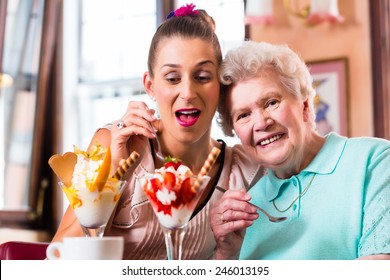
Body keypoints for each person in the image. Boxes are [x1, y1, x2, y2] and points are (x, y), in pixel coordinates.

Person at [51, 4, 263, 260]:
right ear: (150, 86)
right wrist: (114, 171)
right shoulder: (116, 145)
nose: (187, 92)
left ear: (220, 85)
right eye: (173, 78)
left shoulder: (242, 170)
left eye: (203, 76)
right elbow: (58, 260)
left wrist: (226, 253)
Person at [210, 41, 390, 260]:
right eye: (243, 115)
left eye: (271, 102)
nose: (261, 123)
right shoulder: (246, 209)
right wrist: (226, 254)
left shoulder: (374, 160)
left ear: (305, 105)